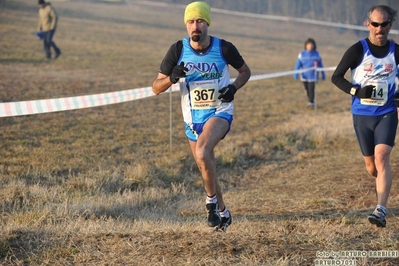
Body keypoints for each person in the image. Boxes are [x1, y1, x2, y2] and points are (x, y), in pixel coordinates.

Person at [152, 1, 251, 231]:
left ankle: (210, 205)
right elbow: (156, 87)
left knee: (203, 151)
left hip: (219, 111)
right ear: (186, 26)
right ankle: (224, 213)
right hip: (191, 118)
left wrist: (234, 88)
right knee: (205, 164)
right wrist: (172, 78)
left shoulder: (223, 48)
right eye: (190, 22)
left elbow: (245, 72)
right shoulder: (178, 50)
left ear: (207, 23)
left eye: (199, 21)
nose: (195, 26)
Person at [331, 5, 399, 228]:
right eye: (376, 24)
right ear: (368, 24)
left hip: (386, 113)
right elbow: (337, 77)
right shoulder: (357, 50)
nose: (380, 29)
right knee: (372, 167)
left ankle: (380, 209)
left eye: (384, 24)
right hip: (362, 114)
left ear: (391, 24)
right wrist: (356, 91)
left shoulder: (396, 51)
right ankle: (379, 177)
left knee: (382, 158)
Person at [293, 38, 326, 109]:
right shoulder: (302, 54)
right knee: (307, 88)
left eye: (311, 45)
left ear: (314, 46)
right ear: (306, 46)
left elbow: (320, 65)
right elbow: (298, 64)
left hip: (313, 76)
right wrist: (295, 73)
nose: (310, 46)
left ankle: (311, 102)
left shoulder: (317, 54)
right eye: (308, 45)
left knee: (311, 89)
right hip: (304, 76)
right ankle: (310, 100)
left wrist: (323, 73)